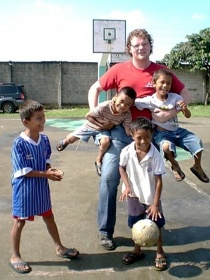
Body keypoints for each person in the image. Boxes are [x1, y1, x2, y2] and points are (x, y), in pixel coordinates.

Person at [88, 28, 192, 250]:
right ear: (129, 48)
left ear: (150, 46)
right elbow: (95, 88)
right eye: (136, 45)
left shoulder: (161, 72)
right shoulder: (118, 70)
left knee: (151, 184)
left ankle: (152, 232)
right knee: (109, 178)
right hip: (120, 134)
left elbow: (186, 95)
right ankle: (105, 232)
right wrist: (98, 116)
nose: (140, 48)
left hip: (149, 136)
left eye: (144, 44)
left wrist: (171, 113)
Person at [9, 100, 79, 274]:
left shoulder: (45, 139)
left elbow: (46, 160)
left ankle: (59, 247)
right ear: (26, 122)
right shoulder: (19, 143)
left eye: (43, 116)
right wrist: (46, 174)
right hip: (24, 189)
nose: (43, 121)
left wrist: (51, 170)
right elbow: (23, 171)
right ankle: (15, 256)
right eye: (38, 118)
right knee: (20, 221)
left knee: (48, 216)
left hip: (41, 187)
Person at [135, 68, 209, 183]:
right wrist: (115, 101)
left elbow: (188, 115)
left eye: (168, 83)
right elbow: (134, 102)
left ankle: (197, 166)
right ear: (154, 84)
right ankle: (175, 165)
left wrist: (184, 109)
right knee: (166, 147)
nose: (165, 86)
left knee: (197, 142)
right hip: (162, 133)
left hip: (177, 131)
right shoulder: (150, 100)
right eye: (162, 82)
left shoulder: (176, 98)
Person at [119, 117, 167, 271]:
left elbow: (159, 181)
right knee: (136, 224)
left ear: (151, 135)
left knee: (156, 224)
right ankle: (137, 250)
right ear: (132, 135)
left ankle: (160, 252)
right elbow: (121, 168)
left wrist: (155, 203)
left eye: (147, 137)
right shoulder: (126, 151)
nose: (143, 141)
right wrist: (127, 186)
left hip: (151, 197)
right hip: (134, 195)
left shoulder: (155, 155)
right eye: (139, 137)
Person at [56, 86, 136, 176]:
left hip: (103, 130)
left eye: (127, 104)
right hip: (91, 124)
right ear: (116, 97)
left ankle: (98, 160)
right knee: (71, 139)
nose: (123, 106)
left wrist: (135, 136)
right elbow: (88, 116)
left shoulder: (127, 114)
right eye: (121, 101)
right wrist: (101, 125)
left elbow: (127, 130)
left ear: (131, 105)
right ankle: (65, 141)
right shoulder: (104, 106)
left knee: (106, 142)